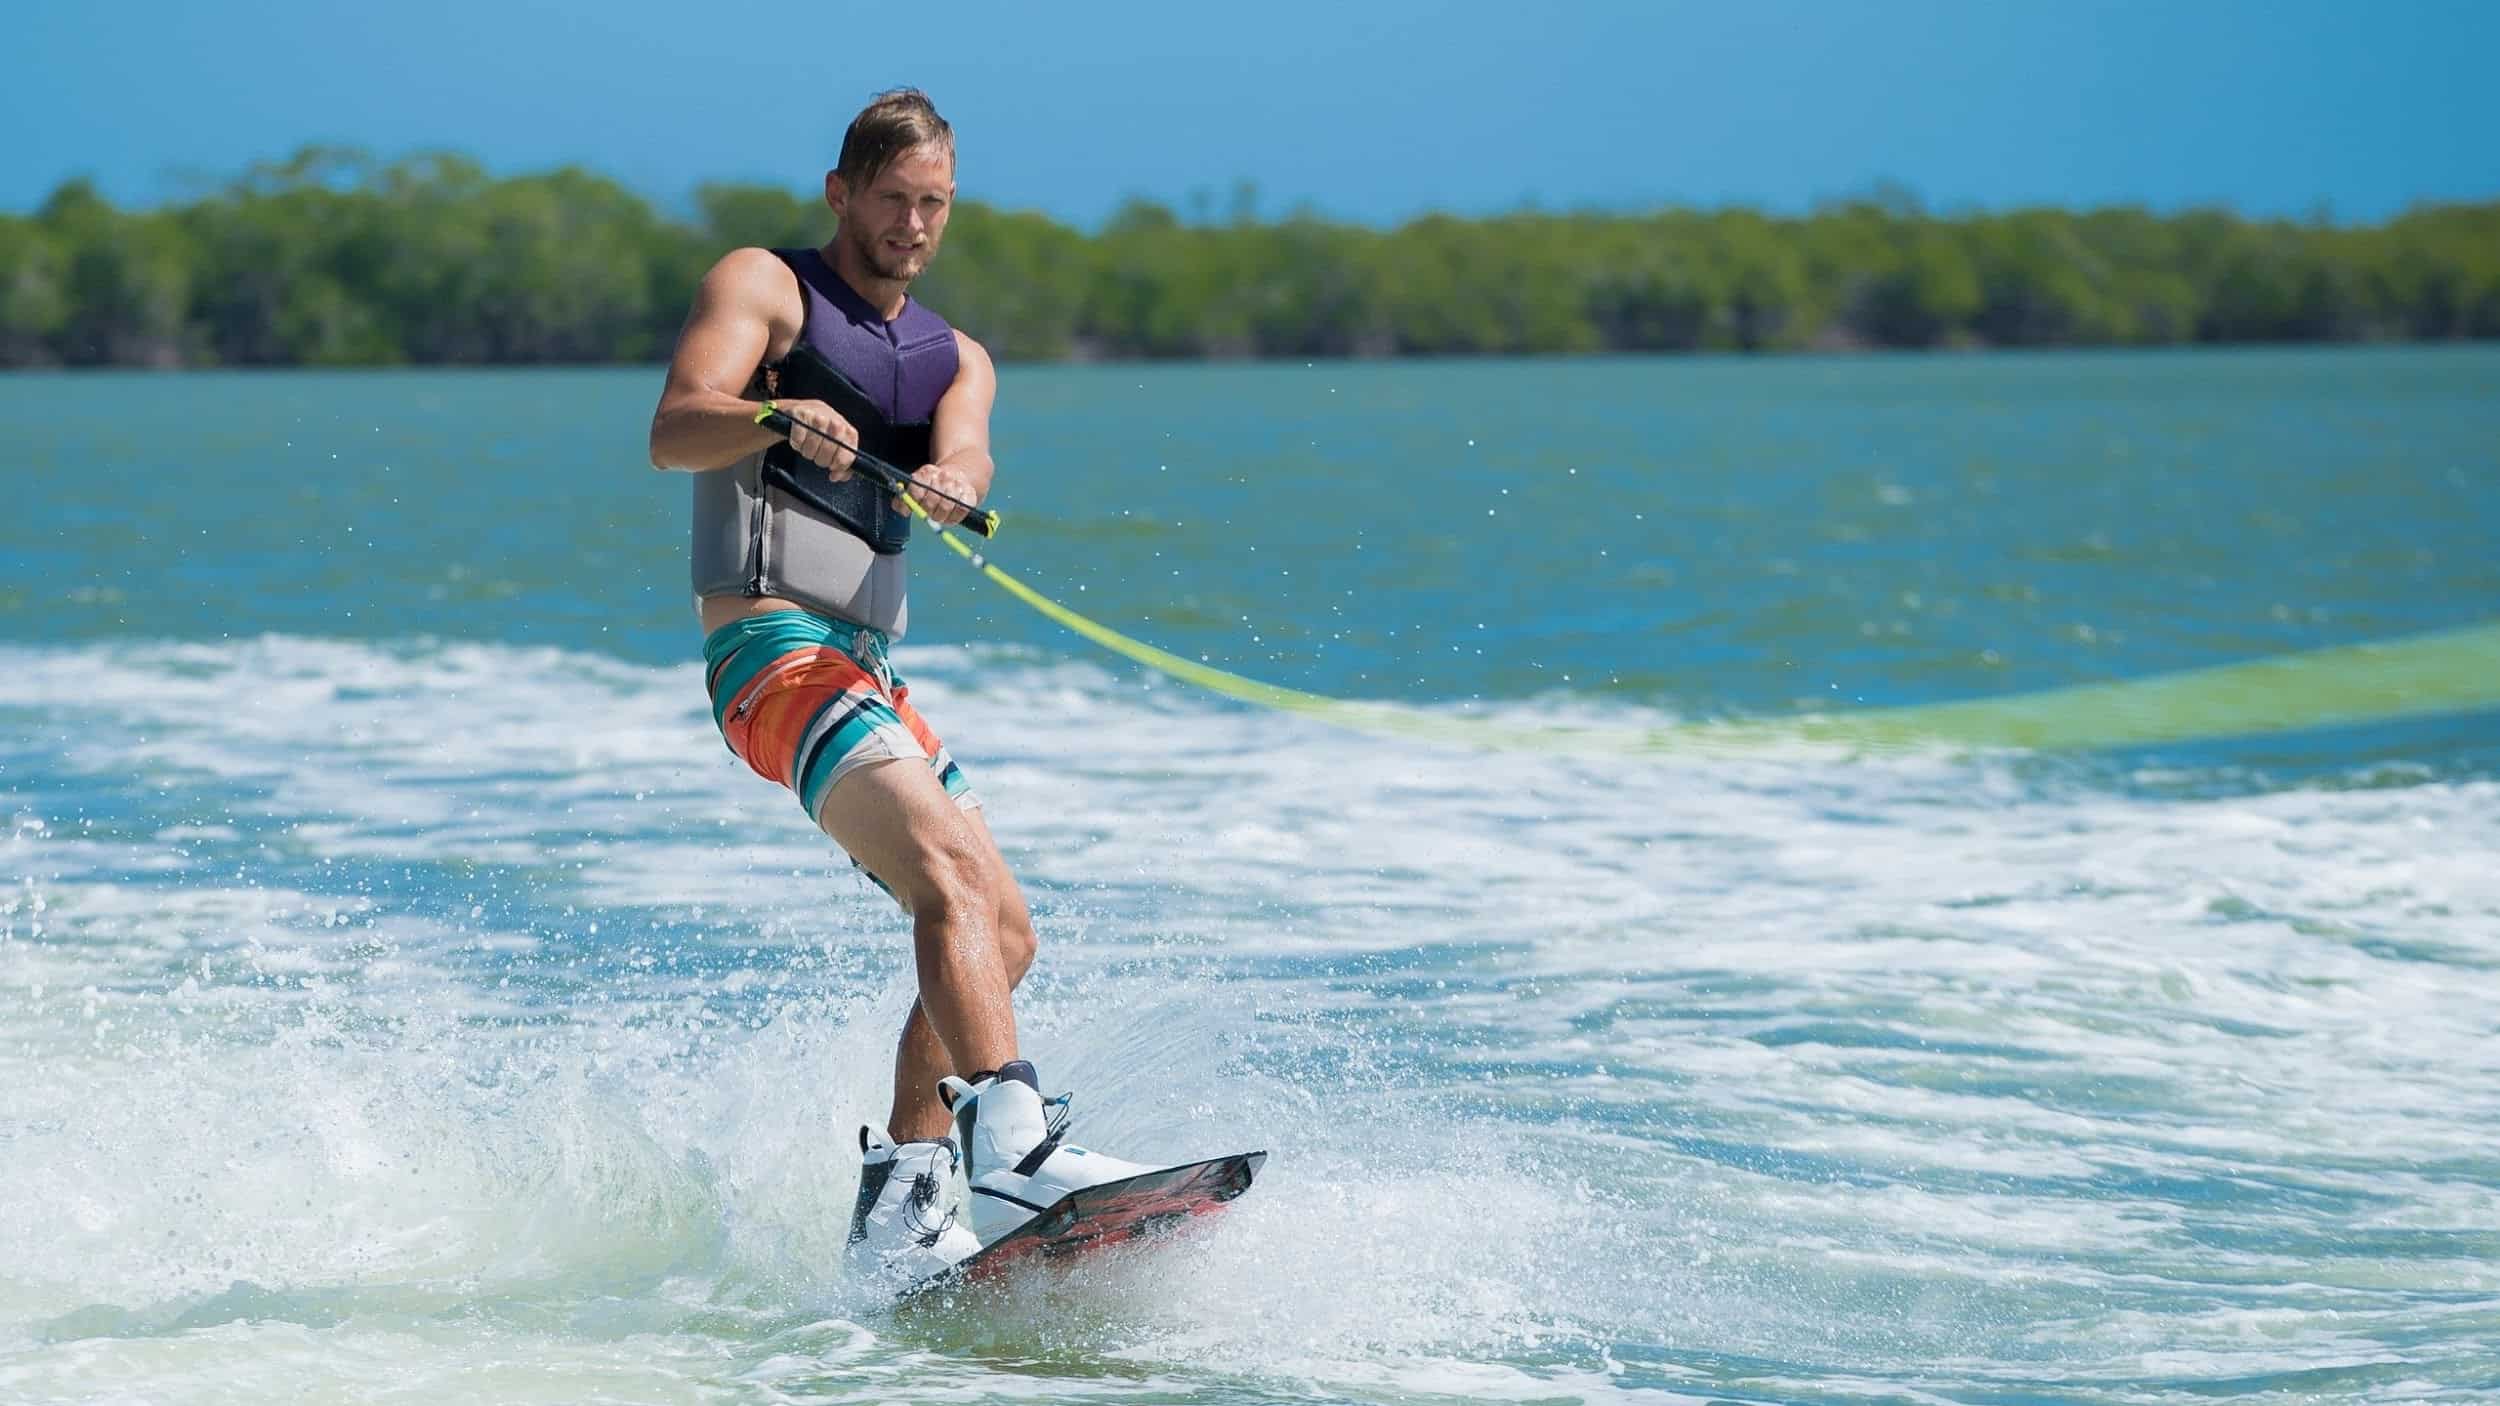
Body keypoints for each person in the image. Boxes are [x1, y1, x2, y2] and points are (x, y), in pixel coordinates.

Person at [646, 89, 1151, 1285]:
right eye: (893, 199)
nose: (914, 224)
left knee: (1000, 930)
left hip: (869, 671)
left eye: (935, 204)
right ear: (841, 193)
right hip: (773, 649)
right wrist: (775, 412)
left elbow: (968, 446)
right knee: (943, 872)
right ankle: (1011, 1140)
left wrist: (953, 478)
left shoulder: (955, 356)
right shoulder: (765, 286)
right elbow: (675, 428)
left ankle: (904, 1193)